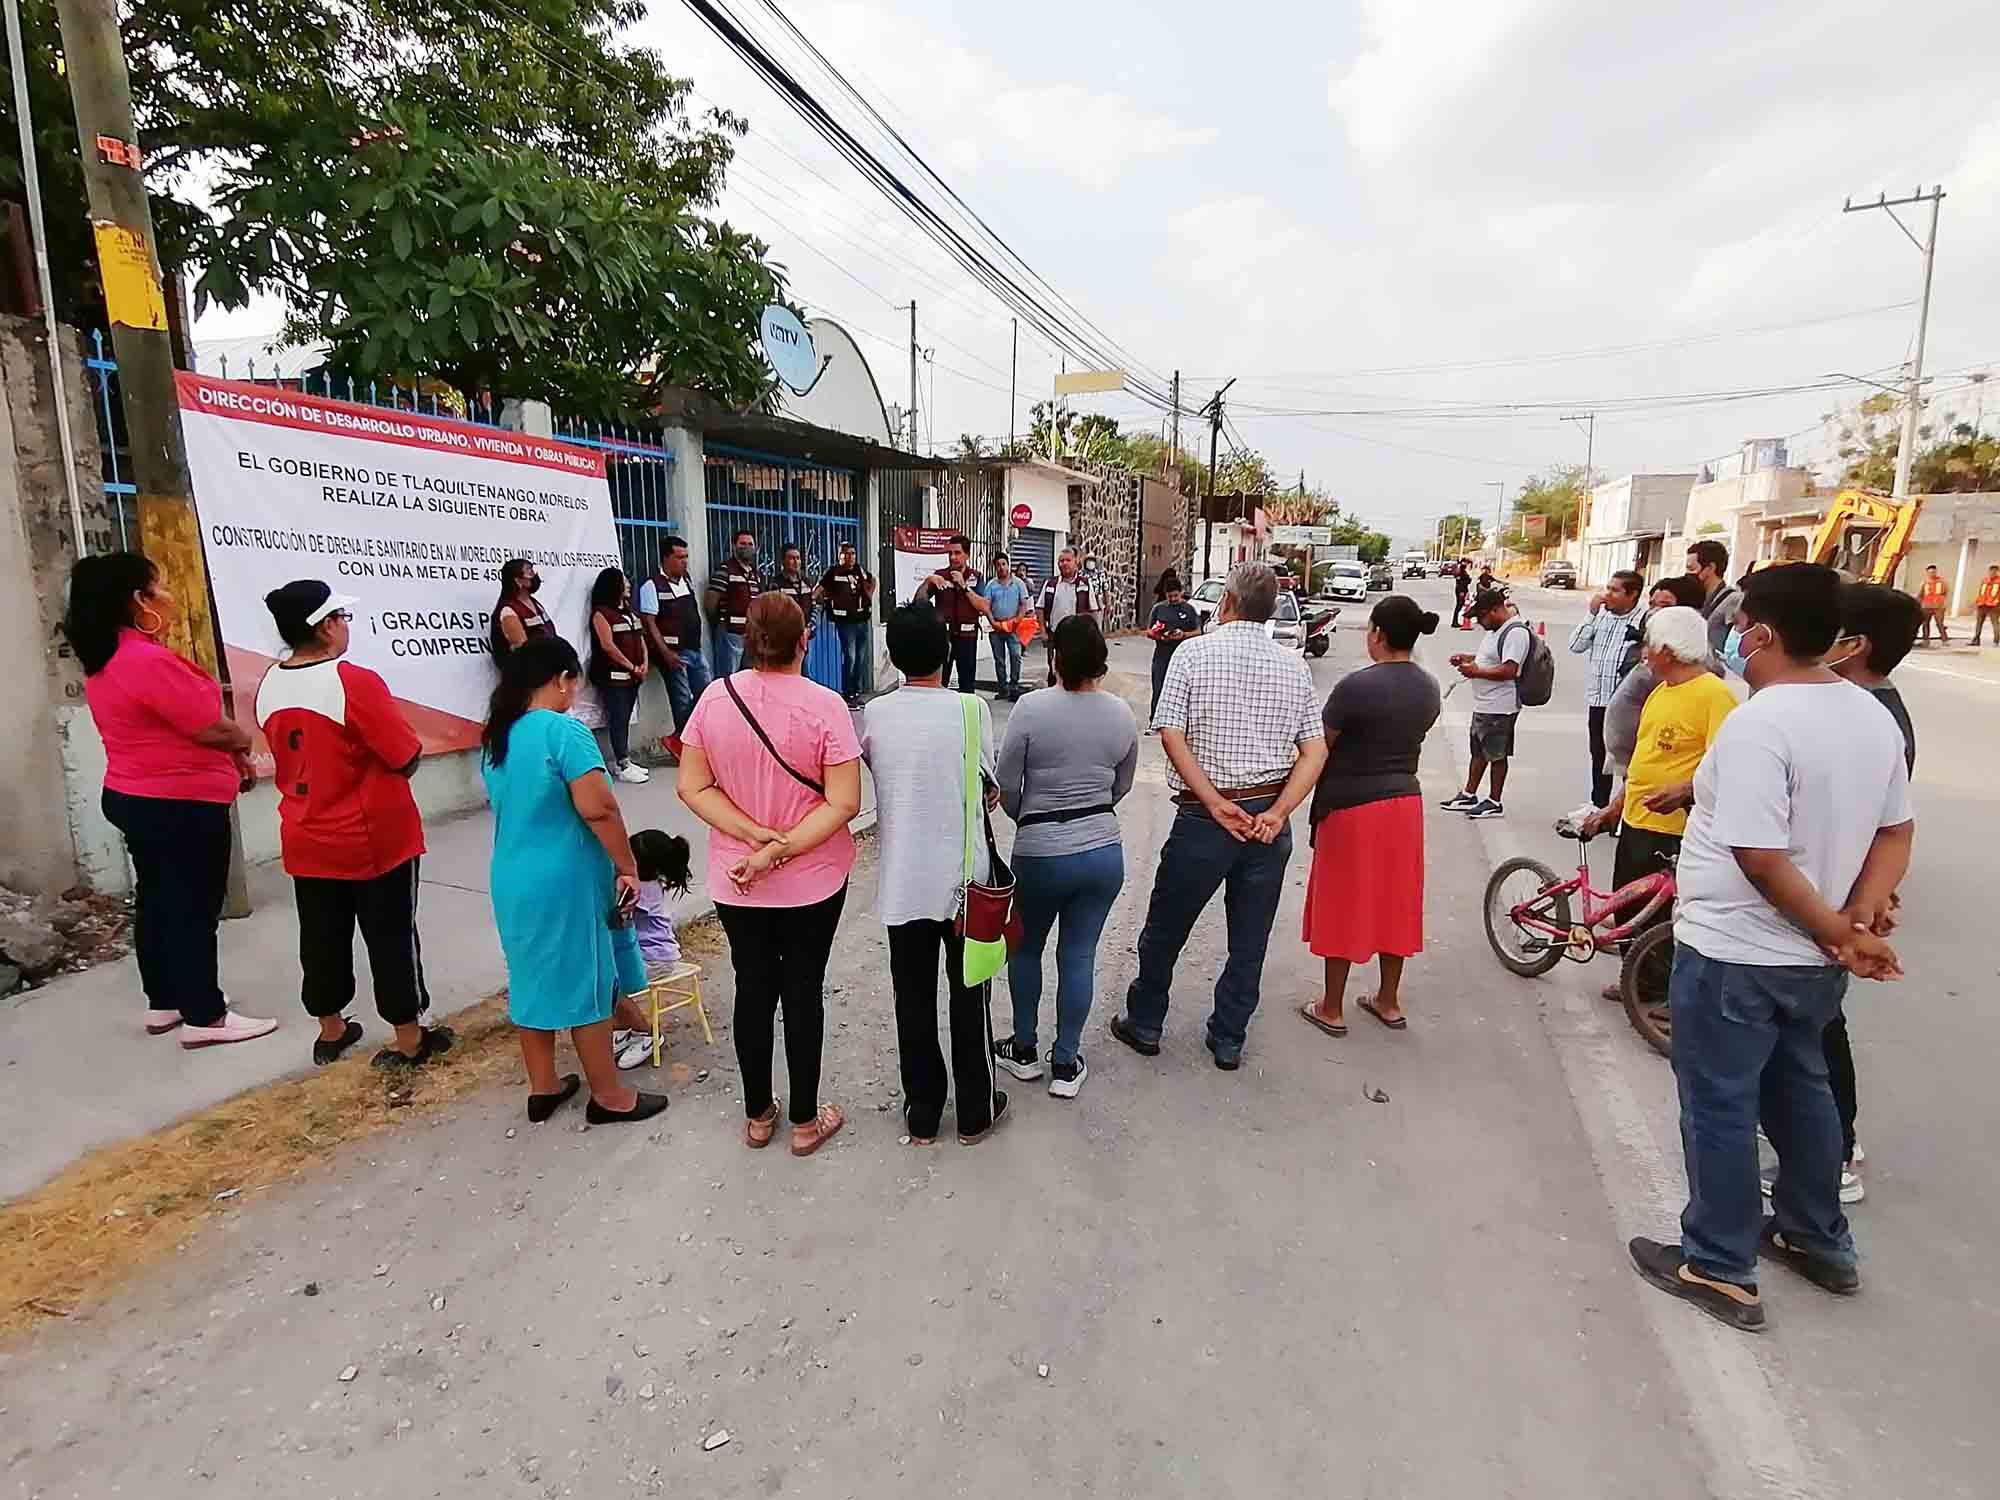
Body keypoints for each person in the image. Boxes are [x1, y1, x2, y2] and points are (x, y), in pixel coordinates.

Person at [1629, 565, 1912, 1333]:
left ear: (1767, 634)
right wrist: (1853, 919)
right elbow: (1896, 830)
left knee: (1720, 1105)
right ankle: (1816, 1238)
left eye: (1743, 621)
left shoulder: (1763, 723)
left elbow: (1759, 854)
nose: (1734, 632)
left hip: (1738, 954)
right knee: (1802, 1091)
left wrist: (1837, 931)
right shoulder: (1868, 713)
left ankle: (1719, 1266)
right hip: (1810, 963)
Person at [1109, 562, 1327, 1070]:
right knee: (1249, 938)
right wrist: (1277, 811)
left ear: (1226, 602)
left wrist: (1211, 800)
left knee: (1166, 926)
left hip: (1205, 819)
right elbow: (1314, 752)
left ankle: (1145, 1022)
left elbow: (1170, 732)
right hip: (1266, 821)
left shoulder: (1192, 653)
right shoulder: (1293, 665)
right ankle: (1228, 1037)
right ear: (1271, 609)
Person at [62, 552, 277, 1047]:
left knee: (159, 902)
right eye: (158, 588)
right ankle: (206, 1014)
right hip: (176, 802)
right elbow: (207, 725)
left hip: (138, 795)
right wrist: (242, 741)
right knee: (192, 909)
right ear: (138, 600)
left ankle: (165, 1002)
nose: (169, 596)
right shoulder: (145, 660)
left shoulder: (109, 657)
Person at [678, 593, 862, 1157]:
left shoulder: (714, 699)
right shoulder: (826, 705)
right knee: (804, 991)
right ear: (805, 639)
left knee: (752, 989)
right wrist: (780, 848)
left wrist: (753, 838)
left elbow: (692, 785)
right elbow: (844, 803)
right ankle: (805, 1123)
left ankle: (759, 1116)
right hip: (812, 878)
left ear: (749, 639)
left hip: (738, 878)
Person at [257, 579, 452, 1069]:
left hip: (306, 833)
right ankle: (410, 1037)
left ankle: (331, 1029)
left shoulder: (269, 683)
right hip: (371, 837)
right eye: (340, 618)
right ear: (324, 628)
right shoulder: (352, 681)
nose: (345, 626)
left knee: (321, 935)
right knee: (391, 936)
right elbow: (404, 754)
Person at [478, 636, 668, 1124]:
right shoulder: (565, 733)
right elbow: (599, 808)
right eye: (574, 682)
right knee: (589, 982)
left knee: (530, 978)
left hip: (512, 875)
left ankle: (543, 1087)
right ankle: (610, 1096)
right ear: (562, 680)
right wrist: (627, 865)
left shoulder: (499, 736)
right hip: (565, 880)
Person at [860, 604, 1010, 1143]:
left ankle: (922, 1112)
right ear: (947, 652)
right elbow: (986, 786)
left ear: (893, 657)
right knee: (971, 994)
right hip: (964, 886)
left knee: (913, 997)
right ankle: (974, 1112)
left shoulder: (875, 716)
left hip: (903, 885)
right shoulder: (972, 711)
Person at [993, 615, 1139, 1097]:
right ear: (1100, 660)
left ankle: (1025, 1048)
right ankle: (1066, 1061)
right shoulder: (1121, 713)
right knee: (1079, 953)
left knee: (1026, 947)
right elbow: (1121, 785)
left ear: (1055, 657)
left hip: (1040, 851)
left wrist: (1030, 817)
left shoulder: (1031, 710)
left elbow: (1006, 785)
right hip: (1102, 849)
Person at [1815, 582, 1921, 1204]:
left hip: (1832, 905)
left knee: (1821, 1029)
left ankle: (1838, 1153)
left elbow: (1889, 827)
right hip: (1833, 900)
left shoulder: (1876, 718)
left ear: (1852, 644)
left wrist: (1863, 904)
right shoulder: (1858, 706)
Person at [1296, 596, 1441, 1040]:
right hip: (1404, 805)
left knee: (1343, 900)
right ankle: (1389, 1000)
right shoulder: (1429, 686)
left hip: (1352, 805)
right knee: (1396, 899)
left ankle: (1332, 1007)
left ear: (1377, 633)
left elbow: (1321, 745)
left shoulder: (1355, 687)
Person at [1581, 607, 1738, 997]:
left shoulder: (1714, 696)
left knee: (1665, 917)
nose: (1644, 652)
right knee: (1629, 907)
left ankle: (1660, 988)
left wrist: (1684, 790)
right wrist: (1614, 808)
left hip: (1676, 831)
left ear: (1668, 650)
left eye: (1649, 644)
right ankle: (1638, 980)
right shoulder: (1661, 692)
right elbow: (1643, 762)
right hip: (1638, 821)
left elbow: (1727, 764)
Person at [1601, 576, 1708, 802]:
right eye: (1652, 604)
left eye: (1665, 606)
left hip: (1666, 819)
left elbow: (1716, 764)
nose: (1655, 612)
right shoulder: (1663, 687)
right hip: (1638, 796)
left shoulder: (1707, 691)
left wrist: (1683, 792)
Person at [1440, 588, 1529, 820]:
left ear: (1496, 610)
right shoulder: (1495, 630)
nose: (1479, 622)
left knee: (1496, 754)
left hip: (1501, 705)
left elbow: (1510, 670)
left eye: (1481, 617)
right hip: (1485, 704)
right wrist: (1468, 659)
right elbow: (1490, 659)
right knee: (1478, 751)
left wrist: (1476, 671)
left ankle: (1494, 800)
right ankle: (1469, 793)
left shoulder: (1515, 632)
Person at [1568, 569, 1645, 807]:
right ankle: (1598, 803)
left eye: (1614, 590)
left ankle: (1624, 809)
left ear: (1632, 595)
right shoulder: (1601, 616)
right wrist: (1591, 615)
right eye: (1607, 588)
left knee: (1627, 757)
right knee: (1599, 753)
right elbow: (1575, 646)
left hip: (1627, 703)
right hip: (1599, 699)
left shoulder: (1643, 620)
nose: (1607, 595)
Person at [637, 536, 710, 761]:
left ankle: (679, 738)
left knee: (706, 696)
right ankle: (685, 747)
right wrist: (666, 653)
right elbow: (649, 623)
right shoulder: (652, 586)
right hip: (673, 653)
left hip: (695, 650)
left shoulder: (685, 581)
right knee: (681, 701)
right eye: (679, 558)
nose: (684, 562)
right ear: (666, 558)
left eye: (686, 557)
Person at [587, 567, 651, 785]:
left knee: (624, 718)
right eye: (624, 582)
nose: (629, 585)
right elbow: (608, 646)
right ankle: (622, 764)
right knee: (618, 718)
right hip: (613, 676)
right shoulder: (601, 614)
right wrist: (631, 666)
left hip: (633, 676)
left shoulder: (630, 613)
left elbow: (641, 639)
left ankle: (625, 760)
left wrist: (644, 663)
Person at [915, 534, 989, 693]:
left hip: (967, 638)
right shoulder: (941, 575)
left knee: (967, 685)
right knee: (940, 683)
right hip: (943, 637)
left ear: (967, 555)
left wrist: (964, 587)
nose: (952, 557)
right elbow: (918, 601)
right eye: (950, 553)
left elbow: (983, 606)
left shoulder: (976, 577)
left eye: (957, 553)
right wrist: (927, 582)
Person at [815, 539, 876, 706]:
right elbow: (818, 590)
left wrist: (869, 595)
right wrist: (817, 603)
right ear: (839, 555)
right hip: (845, 622)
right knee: (850, 657)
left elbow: (873, 580)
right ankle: (847, 693)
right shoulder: (833, 573)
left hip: (862, 620)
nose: (850, 557)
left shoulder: (859, 570)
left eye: (853, 554)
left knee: (860, 658)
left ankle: (857, 692)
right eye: (846, 554)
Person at [1036, 549, 1100, 687]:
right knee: (1054, 670)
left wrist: (1094, 634)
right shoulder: (1050, 584)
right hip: (1055, 636)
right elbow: (1040, 608)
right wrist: (1042, 631)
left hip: (1078, 636)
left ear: (1075, 562)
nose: (1064, 564)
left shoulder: (1085, 584)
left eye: (1068, 560)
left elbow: (1093, 610)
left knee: (1076, 670)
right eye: (1061, 560)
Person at [705, 529, 763, 677]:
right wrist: (720, 623)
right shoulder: (725, 570)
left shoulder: (754, 574)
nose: (747, 547)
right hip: (730, 633)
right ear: (734, 546)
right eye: (743, 544)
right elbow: (711, 602)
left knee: (748, 678)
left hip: (749, 634)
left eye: (750, 544)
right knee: (728, 678)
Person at [1146, 572, 1202, 721]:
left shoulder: (1189, 610)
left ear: (1181, 593)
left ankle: (1178, 721)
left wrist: (1183, 634)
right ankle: (1155, 720)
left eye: (1176, 596)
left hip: (1184, 657)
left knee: (1181, 691)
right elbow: (1149, 631)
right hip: (1162, 655)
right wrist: (1161, 636)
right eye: (1170, 596)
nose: (1173, 599)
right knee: (1158, 688)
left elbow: (1198, 632)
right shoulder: (1159, 609)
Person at [980, 552, 1033, 701]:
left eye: (1004, 564)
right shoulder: (991, 585)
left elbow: (1024, 604)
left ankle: (1014, 686)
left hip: (1013, 626)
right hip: (996, 627)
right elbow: (986, 606)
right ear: (995, 567)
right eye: (998, 565)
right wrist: (993, 622)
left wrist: (1017, 620)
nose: (1001, 567)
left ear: (1008, 565)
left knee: (1016, 655)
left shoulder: (1018, 584)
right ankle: (1003, 688)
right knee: (999, 659)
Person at [1687, 538, 1743, 661]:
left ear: (1710, 568)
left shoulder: (1733, 600)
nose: (1687, 574)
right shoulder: (1697, 599)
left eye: (1691, 569)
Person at [489, 558, 554, 656]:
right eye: (529, 571)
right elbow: (522, 651)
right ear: (517, 580)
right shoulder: (508, 610)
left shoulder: (535, 603)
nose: (534, 575)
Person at [766, 543, 818, 632]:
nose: (796, 562)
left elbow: (813, 606)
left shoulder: (806, 582)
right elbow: (772, 612)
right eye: (791, 558)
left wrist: (809, 628)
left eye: (798, 558)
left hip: (805, 633)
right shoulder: (776, 584)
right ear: (783, 561)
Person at [1916, 564, 1951, 645]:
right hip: (1926, 606)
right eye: (1930, 572)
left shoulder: (1942, 582)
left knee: (1939, 623)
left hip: (1938, 606)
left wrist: (1943, 603)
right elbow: (1920, 594)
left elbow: (1945, 593)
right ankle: (1926, 640)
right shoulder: (1924, 583)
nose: (1932, 574)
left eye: (1933, 572)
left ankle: (1944, 640)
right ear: (1927, 573)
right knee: (1925, 624)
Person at [1975, 563, 2000, 647]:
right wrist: (1978, 601)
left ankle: (1996, 641)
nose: (1992, 572)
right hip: (1982, 604)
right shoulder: (1985, 580)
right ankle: (1976, 639)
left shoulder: (1999, 581)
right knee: (1979, 623)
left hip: (1994, 606)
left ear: (1997, 572)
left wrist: (1997, 602)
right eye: (1991, 571)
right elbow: (1981, 591)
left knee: (1995, 623)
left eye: (1994, 571)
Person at [1452, 558, 1473, 629]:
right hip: (1461, 590)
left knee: (1460, 605)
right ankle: (1454, 622)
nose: (1467, 565)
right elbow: (1460, 581)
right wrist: (1461, 591)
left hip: (1463, 589)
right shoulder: (1460, 570)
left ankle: (1455, 621)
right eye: (1466, 563)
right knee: (1459, 605)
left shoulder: (1463, 570)